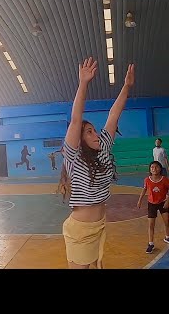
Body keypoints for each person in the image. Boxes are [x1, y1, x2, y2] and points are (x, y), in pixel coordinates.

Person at [58, 57, 135, 269]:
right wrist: (83, 83)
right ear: (80, 141)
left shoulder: (103, 150)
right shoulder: (74, 157)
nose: (95, 135)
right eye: (89, 132)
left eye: (95, 130)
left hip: (99, 225)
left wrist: (126, 87)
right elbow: (76, 120)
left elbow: (114, 114)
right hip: (80, 230)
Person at [137, 161, 169, 254]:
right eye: (152, 167)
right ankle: (150, 243)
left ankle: (167, 237)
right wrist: (140, 200)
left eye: (156, 167)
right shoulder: (147, 180)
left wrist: (167, 202)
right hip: (151, 204)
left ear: (160, 169)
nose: (154, 169)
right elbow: (144, 189)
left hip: (163, 203)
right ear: (150, 169)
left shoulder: (165, 179)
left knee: (166, 222)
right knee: (151, 225)